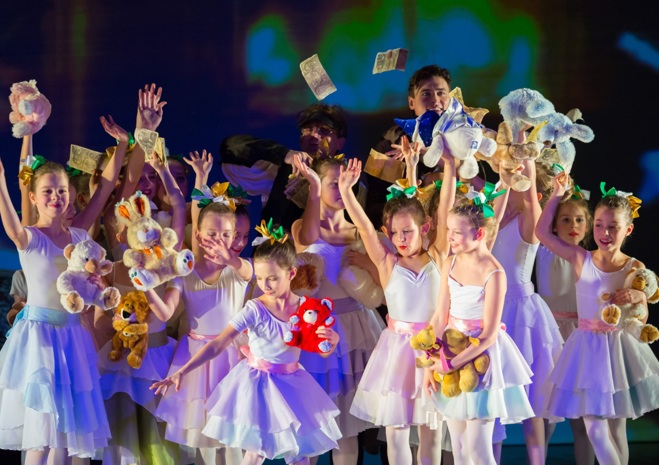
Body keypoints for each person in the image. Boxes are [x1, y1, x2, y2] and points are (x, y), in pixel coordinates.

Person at [151, 222, 342, 465]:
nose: (265, 285)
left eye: (272, 278)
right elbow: (218, 344)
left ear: (291, 274)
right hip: (259, 385)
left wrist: (332, 342)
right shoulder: (256, 309)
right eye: (260, 278)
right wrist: (182, 371)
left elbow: (321, 350)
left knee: (299, 453)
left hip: (292, 383)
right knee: (254, 452)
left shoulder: (306, 309)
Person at [340, 143, 453, 465]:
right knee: (396, 432)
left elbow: (444, 211)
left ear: (425, 228)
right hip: (397, 352)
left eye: (408, 231)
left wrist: (450, 165)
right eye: (394, 233)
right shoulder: (387, 262)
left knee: (432, 432)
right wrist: (347, 193)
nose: (401, 238)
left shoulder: (438, 255)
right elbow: (364, 227)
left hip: (432, 347)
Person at [536, 174, 659, 465]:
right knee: (593, 426)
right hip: (588, 350)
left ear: (627, 229)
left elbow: (642, 315)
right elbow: (542, 233)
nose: (605, 232)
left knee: (616, 430)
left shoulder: (634, 266)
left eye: (613, 227)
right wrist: (557, 194)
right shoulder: (582, 258)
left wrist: (637, 296)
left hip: (619, 350)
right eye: (600, 225)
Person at [0, 157, 110, 464]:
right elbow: (12, 226)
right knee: (42, 432)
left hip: (72, 337)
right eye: (47, 191)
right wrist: (1, 179)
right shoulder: (30, 238)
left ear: (70, 194)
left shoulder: (80, 237)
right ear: (33, 197)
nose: (55, 197)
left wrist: (96, 284)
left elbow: (103, 193)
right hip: (40, 339)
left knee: (65, 433)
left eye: (61, 190)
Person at [149, 149, 253, 465]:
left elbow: (247, 271)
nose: (219, 241)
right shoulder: (187, 272)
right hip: (195, 358)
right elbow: (166, 313)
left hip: (232, 357)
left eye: (227, 235)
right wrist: (145, 287)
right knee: (205, 445)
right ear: (198, 235)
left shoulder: (239, 269)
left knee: (234, 440)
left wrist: (230, 258)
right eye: (212, 234)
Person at [290, 155, 386, 465]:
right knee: (313, 425)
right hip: (317, 332)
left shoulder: (358, 231)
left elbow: (386, 278)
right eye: (333, 182)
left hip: (357, 332)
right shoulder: (303, 227)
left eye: (346, 182)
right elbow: (307, 239)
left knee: (347, 430)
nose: (341, 188)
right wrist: (314, 185)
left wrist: (369, 264)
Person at [425, 196, 534, 465]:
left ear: (480, 234)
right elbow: (439, 316)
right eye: (448, 230)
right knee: (459, 448)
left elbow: (489, 335)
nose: (449, 238)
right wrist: (430, 362)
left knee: (478, 449)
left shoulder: (494, 273)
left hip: (478, 359)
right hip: (450, 349)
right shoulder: (450, 262)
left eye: (457, 232)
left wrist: (451, 363)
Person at [490, 158, 564, 464]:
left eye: (519, 180)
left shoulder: (530, 221)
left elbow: (531, 198)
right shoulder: (496, 216)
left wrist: (527, 160)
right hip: (494, 311)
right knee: (493, 403)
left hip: (522, 317)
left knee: (532, 406)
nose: (513, 181)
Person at [535, 185, 594, 465]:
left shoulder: (592, 259)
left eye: (579, 220)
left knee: (582, 421)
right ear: (554, 225)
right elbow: (540, 227)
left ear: (588, 226)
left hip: (579, 338)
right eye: (566, 219)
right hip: (550, 337)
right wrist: (557, 193)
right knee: (546, 418)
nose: (573, 225)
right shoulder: (543, 251)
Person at [220, 103, 347, 231]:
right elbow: (231, 148)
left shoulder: (350, 182)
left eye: (324, 130)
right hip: (275, 244)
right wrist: (284, 154)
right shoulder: (281, 169)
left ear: (340, 143)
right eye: (308, 129)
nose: (314, 135)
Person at [364, 64, 452, 229]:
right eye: (426, 94)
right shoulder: (389, 147)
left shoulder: (463, 142)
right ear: (411, 102)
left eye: (441, 93)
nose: (435, 100)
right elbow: (374, 210)